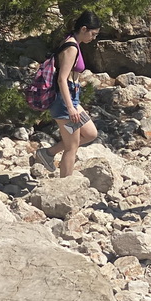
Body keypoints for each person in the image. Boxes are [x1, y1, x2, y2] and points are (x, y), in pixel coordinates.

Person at [33, 11, 101, 177]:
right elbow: (62, 79)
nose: (93, 38)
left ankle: (48, 154)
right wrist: (71, 108)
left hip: (73, 98)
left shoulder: (74, 43)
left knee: (90, 133)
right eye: (93, 34)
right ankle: (66, 185)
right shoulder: (71, 47)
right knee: (72, 146)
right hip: (65, 102)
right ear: (84, 29)